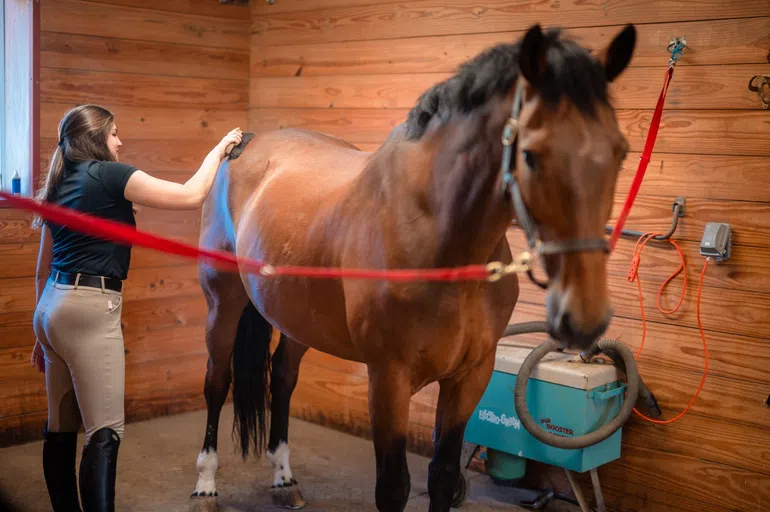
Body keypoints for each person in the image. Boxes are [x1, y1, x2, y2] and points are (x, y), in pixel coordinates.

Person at [29, 104, 242, 511]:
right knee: (104, 432)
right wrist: (217, 151)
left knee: (60, 429)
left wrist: (39, 336)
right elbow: (191, 195)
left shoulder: (58, 183)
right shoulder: (110, 174)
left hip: (51, 309)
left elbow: (42, 269)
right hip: (90, 310)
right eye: (114, 134)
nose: (120, 141)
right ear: (97, 140)